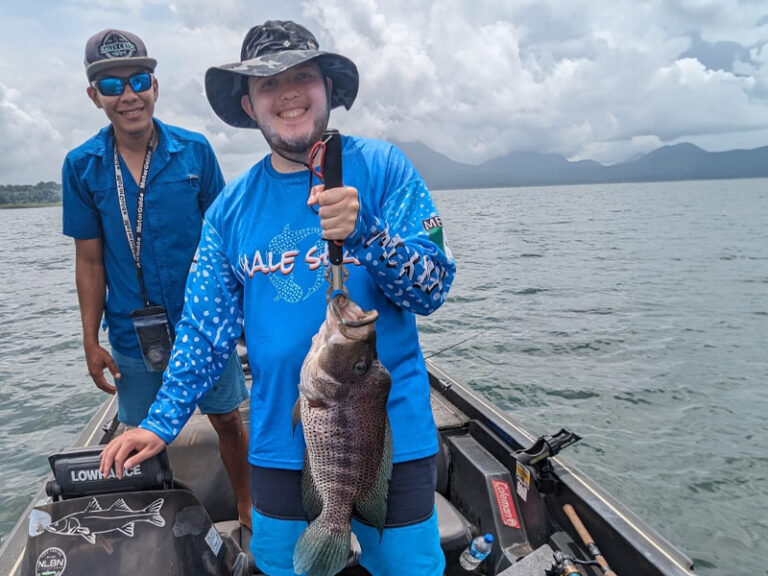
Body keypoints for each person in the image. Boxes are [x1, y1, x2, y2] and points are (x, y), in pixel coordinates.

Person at [100, 20, 456, 576]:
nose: (287, 92)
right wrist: (160, 421)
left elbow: (432, 288)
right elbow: (204, 331)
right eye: (268, 83)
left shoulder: (385, 169)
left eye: (303, 76)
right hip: (280, 442)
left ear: (328, 89)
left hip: (392, 438)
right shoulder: (229, 211)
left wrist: (371, 233)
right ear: (249, 104)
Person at [62, 29, 252, 529]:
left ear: (155, 86)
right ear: (93, 96)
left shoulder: (195, 152)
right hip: (130, 331)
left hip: (202, 325)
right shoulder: (81, 166)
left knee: (229, 418)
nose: (128, 95)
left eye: (139, 80)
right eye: (111, 86)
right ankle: (154, 527)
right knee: (138, 437)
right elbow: (89, 261)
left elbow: (228, 246)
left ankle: (247, 506)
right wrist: (89, 340)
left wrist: (245, 321)